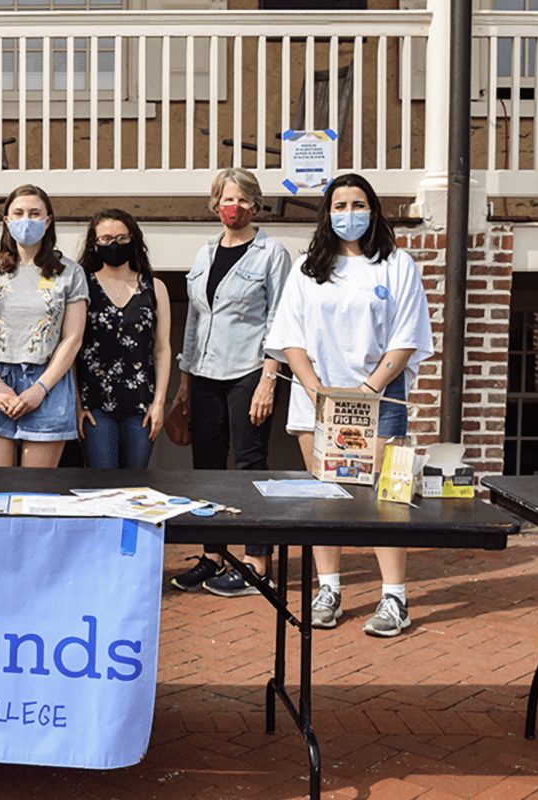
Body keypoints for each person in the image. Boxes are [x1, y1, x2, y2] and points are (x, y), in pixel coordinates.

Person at [264, 172, 433, 637]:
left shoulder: (396, 265)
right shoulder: (307, 268)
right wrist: (316, 388)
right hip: (316, 402)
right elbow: (288, 337)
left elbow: (407, 338)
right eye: (339, 206)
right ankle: (329, 589)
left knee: (385, 500)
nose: (349, 214)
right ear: (327, 213)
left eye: (358, 205)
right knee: (325, 499)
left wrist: (368, 391)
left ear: (373, 211)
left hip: (379, 400)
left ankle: (394, 597)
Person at [168, 167, 292, 598]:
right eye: (225, 198)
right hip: (203, 373)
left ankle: (257, 562)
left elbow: (280, 318)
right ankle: (214, 555)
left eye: (240, 199)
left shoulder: (271, 254)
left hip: (248, 371)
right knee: (206, 468)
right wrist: (184, 380)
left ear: (255, 204)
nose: (232, 207)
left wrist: (268, 379)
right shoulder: (204, 253)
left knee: (249, 465)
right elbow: (194, 319)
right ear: (214, 203)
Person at [0, 185, 88, 468]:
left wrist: (40, 388)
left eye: (35, 213)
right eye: (19, 213)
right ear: (7, 221)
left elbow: (72, 337)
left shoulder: (69, 273)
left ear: (48, 221)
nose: (27, 219)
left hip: (47, 383)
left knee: (36, 492)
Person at [75, 209, 171, 469]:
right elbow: (71, 346)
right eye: (105, 239)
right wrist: (76, 403)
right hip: (94, 405)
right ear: (94, 244)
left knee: (135, 486)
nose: (113, 244)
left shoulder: (155, 288)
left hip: (140, 405)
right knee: (102, 483)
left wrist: (159, 403)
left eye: (121, 238)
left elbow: (162, 349)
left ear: (134, 240)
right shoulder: (82, 285)